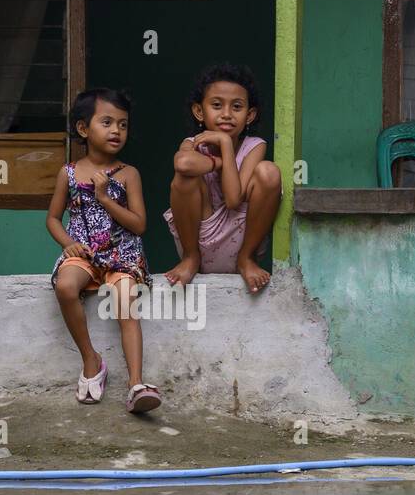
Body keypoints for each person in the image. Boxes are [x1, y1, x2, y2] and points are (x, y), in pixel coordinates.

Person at [47, 89, 162, 413]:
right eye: (107, 122)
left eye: (123, 125)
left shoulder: (128, 174)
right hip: (83, 253)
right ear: (84, 129)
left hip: (123, 254)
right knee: (66, 286)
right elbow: (53, 218)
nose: (116, 131)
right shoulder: (67, 173)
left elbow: (139, 225)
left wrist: (106, 197)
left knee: (125, 300)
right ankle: (91, 360)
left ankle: (136, 384)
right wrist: (67, 243)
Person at [164, 63, 283, 293]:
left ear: (249, 115)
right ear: (199, 111)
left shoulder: (254, 147)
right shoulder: (193, 143)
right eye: (217, 105)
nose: (227, 114)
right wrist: (218, 163)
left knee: (269, 171)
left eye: (236, 107)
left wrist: (226, 145)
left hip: (239, 240)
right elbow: (183, 163)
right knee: (184, 178)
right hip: (200, 239)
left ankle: (246, 259)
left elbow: (233, 200)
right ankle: (190, 258)